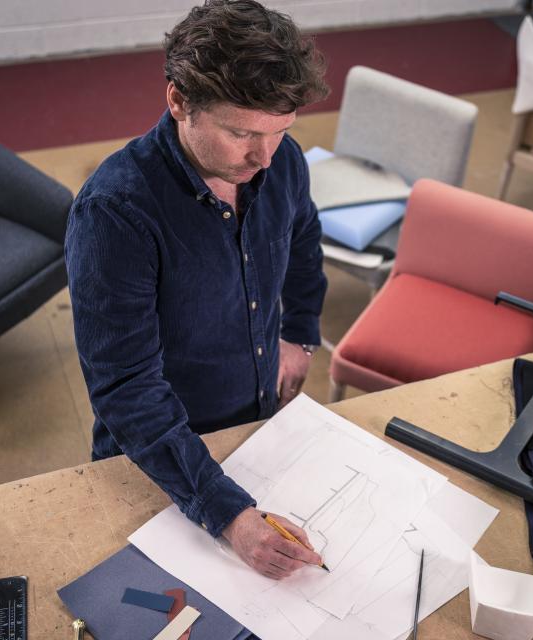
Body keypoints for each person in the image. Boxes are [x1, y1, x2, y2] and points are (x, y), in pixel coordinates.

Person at [64, 0, 329, 580]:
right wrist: (228, 514)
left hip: (257, 426)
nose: (264, 158)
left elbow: (305, 241)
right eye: (242, 133)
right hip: (160, 457)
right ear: (179, 101)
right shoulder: (115, 213)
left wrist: (299, 334)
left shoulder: (280, 164)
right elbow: (127, 388)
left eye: (281, 132)